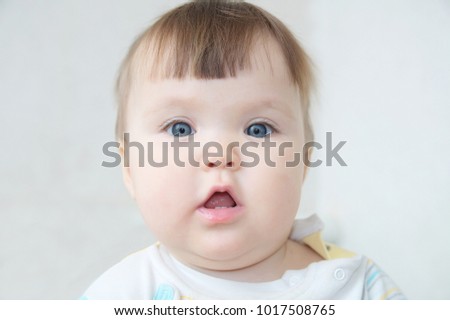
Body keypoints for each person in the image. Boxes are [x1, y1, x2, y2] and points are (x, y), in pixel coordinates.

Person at [82, 0, 405, 299]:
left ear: (303, 162)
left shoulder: (360, 287)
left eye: (258, 130)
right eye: (181, 130)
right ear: (129, 169)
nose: (219, 154)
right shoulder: (121, 295)